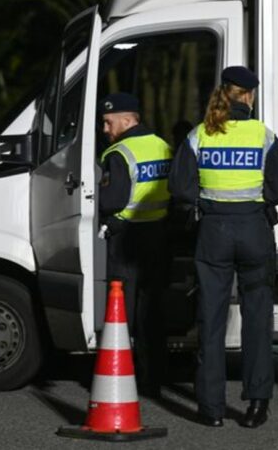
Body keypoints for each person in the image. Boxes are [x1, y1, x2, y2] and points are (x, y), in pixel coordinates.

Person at [169, 66, 278, 428]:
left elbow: (179, 186)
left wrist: (205, 200)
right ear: (249, 96)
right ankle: (257, 405)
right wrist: (260, 199)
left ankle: (211, 410)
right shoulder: (263, 135)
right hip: (254, 229)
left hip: (213, 231)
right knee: (258, 319)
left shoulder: (201, 134)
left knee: (210, 321)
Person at [98, 92, 172, 397]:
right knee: (152, 311)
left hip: (127, 240)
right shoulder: (163, 145)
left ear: (128, 120)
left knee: (122, 315)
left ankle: (122, 375)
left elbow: (113, 199)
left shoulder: (118, 153)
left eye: (108, 122)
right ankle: (153, 377)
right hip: (160, 235)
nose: (105, 129)